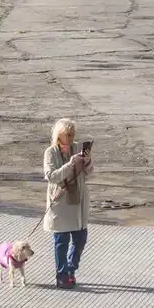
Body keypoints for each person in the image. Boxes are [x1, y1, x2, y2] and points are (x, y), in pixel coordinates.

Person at [43, 117, 93, 289]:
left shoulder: (78, 147)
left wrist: (87, 163)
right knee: (62, 240)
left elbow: (89, 173)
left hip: (78, 200)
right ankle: (62, 275)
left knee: (80, 238)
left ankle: (71, 269)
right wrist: (69, 165)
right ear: (59, 136)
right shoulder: (51, 152)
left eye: (73, 134)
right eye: (68, 135)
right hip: (61, 202)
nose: (71, 138)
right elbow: (51, 176)